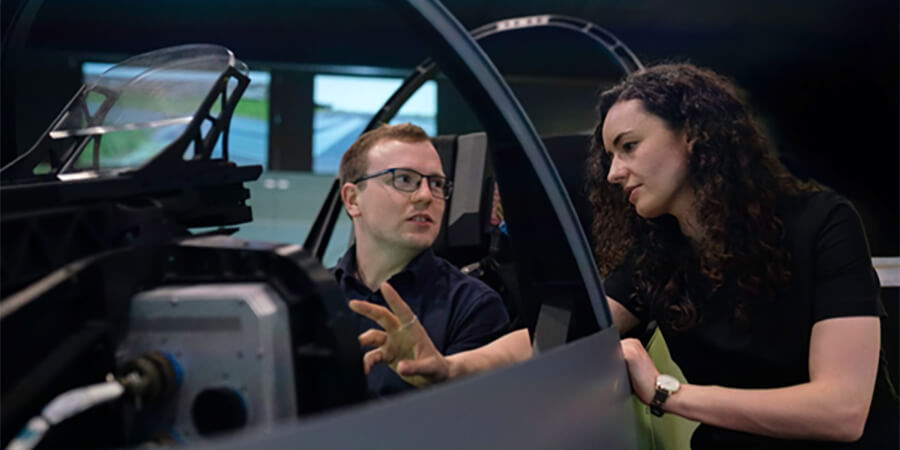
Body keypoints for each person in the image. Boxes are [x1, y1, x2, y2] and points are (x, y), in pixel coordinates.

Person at [349, 64, 896, 448]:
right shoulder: (660, 253)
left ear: (695, 138)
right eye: (609, 155)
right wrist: (448, 367)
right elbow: (550, 338)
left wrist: (666, 393)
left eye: (628, 147)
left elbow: (841, 412)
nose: (613, 173)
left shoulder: (822, 222)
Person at [335, 122, 510, 398]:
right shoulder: (313, 297)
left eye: (437, 184)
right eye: (404, 179)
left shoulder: (474, 306)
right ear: (353, 199)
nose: (427, 196)